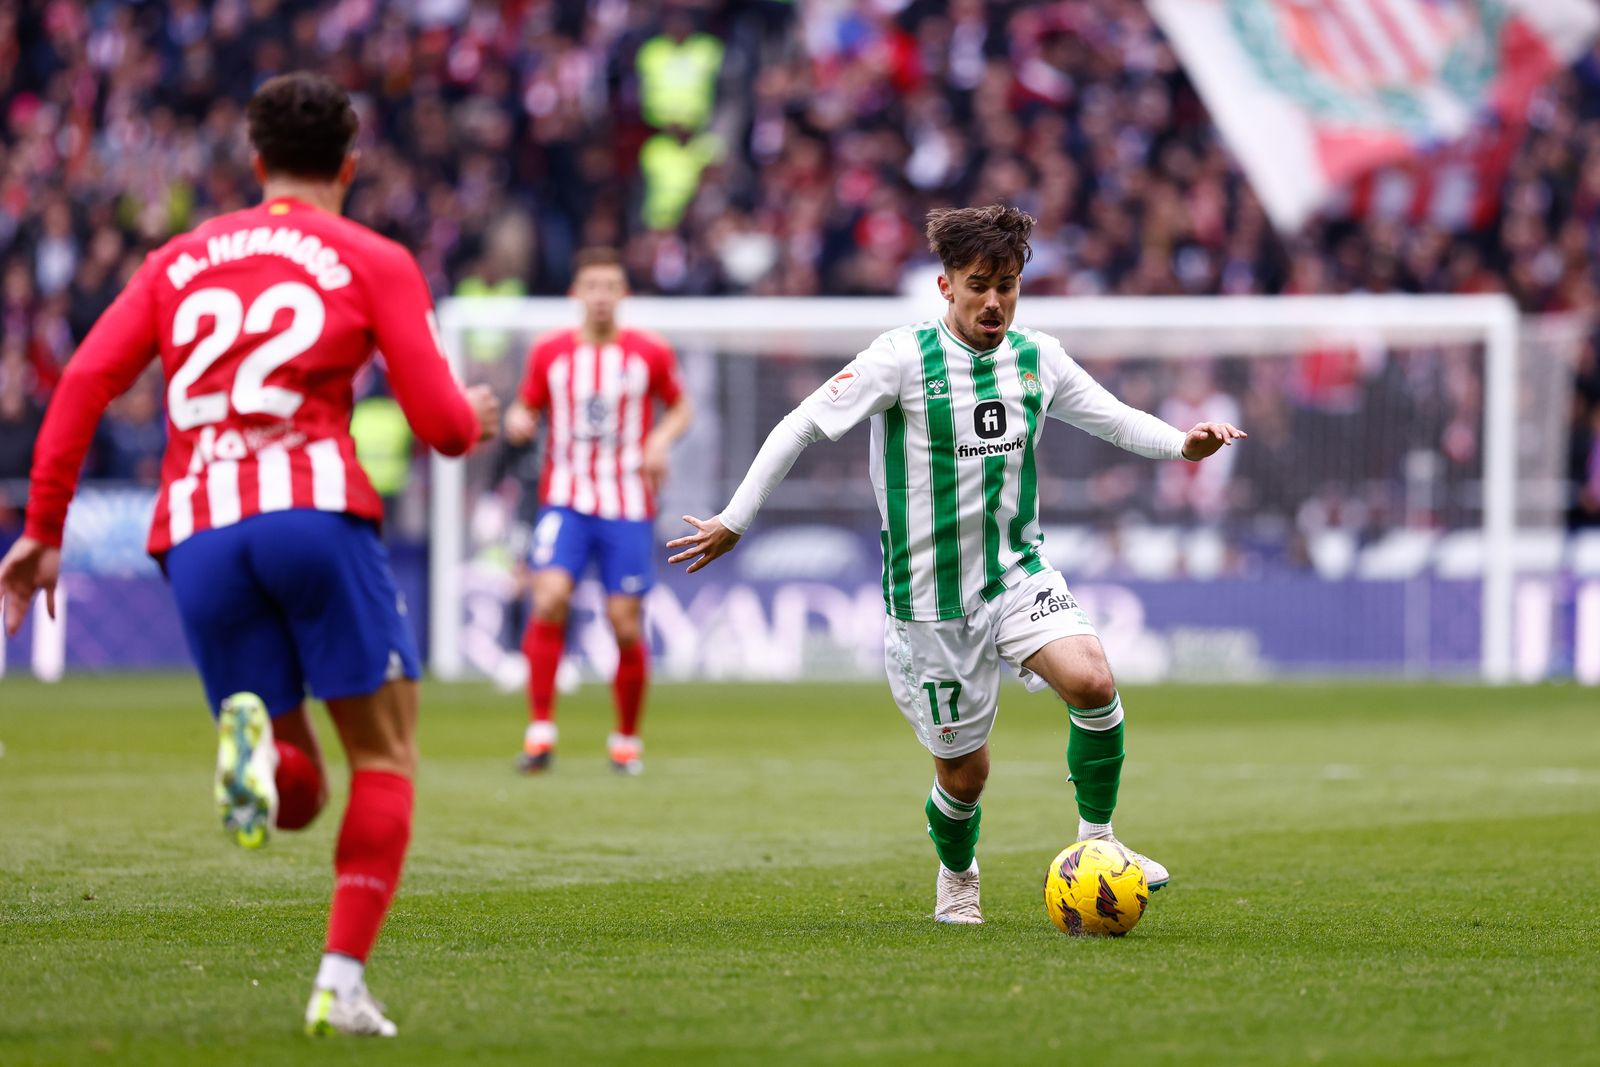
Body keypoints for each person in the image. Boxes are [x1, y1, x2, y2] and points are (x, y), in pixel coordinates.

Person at [0, 73, 499, 1036]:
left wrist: (43, 530)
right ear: (350, 166)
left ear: (255, 162)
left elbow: (82, 388)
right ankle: (340, 984)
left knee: (298, 786)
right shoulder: (374, 256)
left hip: (196, 534)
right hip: (310, 513)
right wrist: (472, 416)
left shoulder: (177, 260)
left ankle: (261, 757)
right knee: (386, 755)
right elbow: (439, 426)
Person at [667, 205, 1245, 924]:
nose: (995, 300)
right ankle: (957, 873)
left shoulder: (1038, 357)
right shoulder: (900, 358)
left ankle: (1099, 840)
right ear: (945, 285)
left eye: (1007, 284)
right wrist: (734, 518)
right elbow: (802, 424)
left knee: (1093, 680)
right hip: (930, 604)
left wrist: (1181, 445)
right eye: (979, 285)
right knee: (966, 774)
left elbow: (1116, 417)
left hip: (1017, 573)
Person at [502, 247, 692, 775]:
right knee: (549, 597)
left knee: (624, 624)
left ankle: (626, 739)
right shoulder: (549, 352)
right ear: (576, 294)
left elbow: (682, 405)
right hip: (565, 499)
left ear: (623, 295)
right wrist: (518, 417)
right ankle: (540, 732)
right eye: (593, 286)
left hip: (627, 503)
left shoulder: (648, 353)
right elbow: (527, 404)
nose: (602, 296)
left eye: (611, 286)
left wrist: (658, 440)